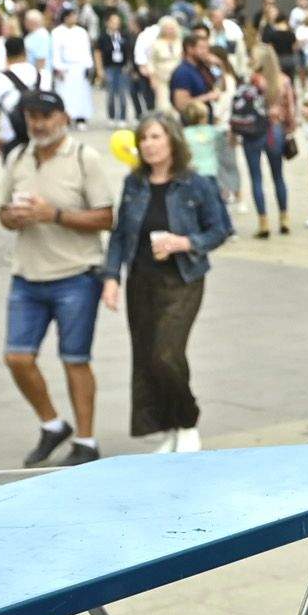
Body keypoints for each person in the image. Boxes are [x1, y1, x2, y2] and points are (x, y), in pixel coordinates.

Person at [0, 88, 119, 467]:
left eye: (46, 116)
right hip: (26, 275)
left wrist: (55, 215)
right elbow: (1, 213)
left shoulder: (84, 158)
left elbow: (106, 218)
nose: (38, 123)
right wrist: (12, 218)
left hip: (76, 276)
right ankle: (52, 424)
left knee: (74, 359)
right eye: (32, 116)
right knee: (17, 358)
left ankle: (86, 440)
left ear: (64, 118)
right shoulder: (17, 156)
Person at [102, 112, 232, 453]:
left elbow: (220, 229)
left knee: (166, 351)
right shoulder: (134, 184)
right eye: (143, 138)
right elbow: (119, 235)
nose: (148, 144)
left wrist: (184, 242)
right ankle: (171, 427)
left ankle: (188, 421)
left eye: (156, 137)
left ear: (173, 140)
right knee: (148, 356)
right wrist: (111, 277)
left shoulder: (196, 183)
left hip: (182, 280)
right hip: (141, 281)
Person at [229, 48, 297, 238]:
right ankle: (284, 218)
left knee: (256, 177)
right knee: (278, 176)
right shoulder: (283, 80)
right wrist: (290, 129)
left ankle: (263, 222)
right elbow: (290, 108)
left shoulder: (251, 80)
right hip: (275, 130)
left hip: (253, 131)